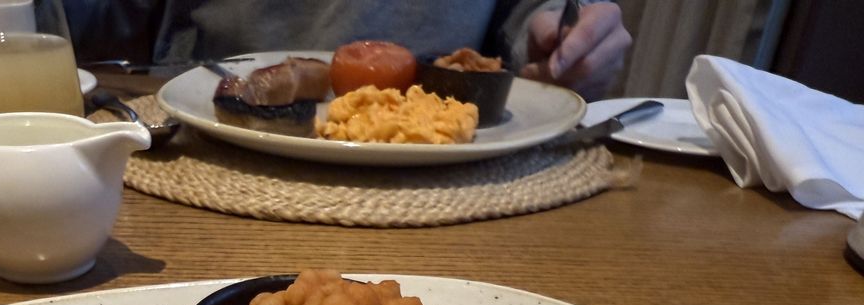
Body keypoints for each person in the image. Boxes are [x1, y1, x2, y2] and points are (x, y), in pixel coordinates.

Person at [64, 0, 632, 100]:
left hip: (468, 161)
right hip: (206, 118)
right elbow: (99, 19)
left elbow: (530, 14)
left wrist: (562, 27)